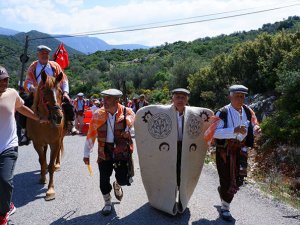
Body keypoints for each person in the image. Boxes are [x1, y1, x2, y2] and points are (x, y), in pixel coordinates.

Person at [134, 88, 213, 215]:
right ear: (173, 98)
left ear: (187, 99)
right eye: (177, 97)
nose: (180, 100)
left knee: (182, 173)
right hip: (167, 149)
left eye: (183, 97)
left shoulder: (195, 115)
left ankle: (182, 199)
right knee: (168, 172)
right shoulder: (162, 112)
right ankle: (165, 200)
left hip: (185, 148)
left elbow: (206, 127)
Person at [204, 84, 261, 221]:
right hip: (225, 152)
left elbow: (253, 124)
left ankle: (223, 195)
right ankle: (225, 208)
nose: (240, 99)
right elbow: (212, 134)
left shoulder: (248, 111)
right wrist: (234, 130)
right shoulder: (222, 112)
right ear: (230, 96)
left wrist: (256, 129)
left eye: (242, 96)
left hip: (241, 151)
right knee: (226, 180)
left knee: (239, 180)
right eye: (237, 96)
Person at [0, 66, 47, 225]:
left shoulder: (12, 93)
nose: (4, 83)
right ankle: (7, 203)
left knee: (5, 180)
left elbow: (21, 108)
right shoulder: (33, 68)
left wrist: (37, 117)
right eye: (1, 80)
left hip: (8, 145)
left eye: (6, 79)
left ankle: (4, 212)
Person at [83, 89, 135, 216]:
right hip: (104, 150)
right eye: (104, 98)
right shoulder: (97, 114)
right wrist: (86, 154)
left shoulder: (127, 112)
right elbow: (91, 135)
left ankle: (117, 183)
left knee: (124, 180)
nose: (104, 101)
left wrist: (129, 132)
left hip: (121, 151)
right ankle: (107, 203)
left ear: (117, 100)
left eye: (108, 99)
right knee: (103, 180)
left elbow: (134, 128)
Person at [23, 45, 77, 134]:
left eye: (46, 54)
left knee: (68, 103)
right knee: (25, 103)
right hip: (38, 92)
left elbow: (64, 79)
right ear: (38, 54)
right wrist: (32, 88)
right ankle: (25, 130)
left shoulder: (55, 65)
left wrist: (65, 92)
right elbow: (28, 80)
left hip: (54, 91)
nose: (44, 55)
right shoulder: (33, 66)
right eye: (42, 53)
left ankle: (70, 124)